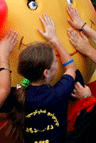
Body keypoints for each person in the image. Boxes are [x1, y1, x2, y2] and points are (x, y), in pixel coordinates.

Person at [6, 14, 77, 143]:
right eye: (55, 61)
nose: (57, 63)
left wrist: (4, 55)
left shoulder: (17, 93)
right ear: (46, 72)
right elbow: (71, 68)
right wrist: (55, 39)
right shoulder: (58, 93)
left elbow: (23, 83)